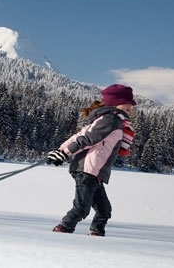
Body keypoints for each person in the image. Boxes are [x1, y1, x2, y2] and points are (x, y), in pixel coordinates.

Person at [47, 84, 136, 236]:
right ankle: (62, 231)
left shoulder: (108, 120)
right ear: (114, 103)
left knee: (104, 211)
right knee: (81, 208)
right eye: (126, 103)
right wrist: (64, 153)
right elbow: (87, 139)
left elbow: (78, 136)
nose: (130, 106)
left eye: (131, 104)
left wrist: (61, 151)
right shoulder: (111, 120)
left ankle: (96, 235)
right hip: (88, 169)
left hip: (96, 172)